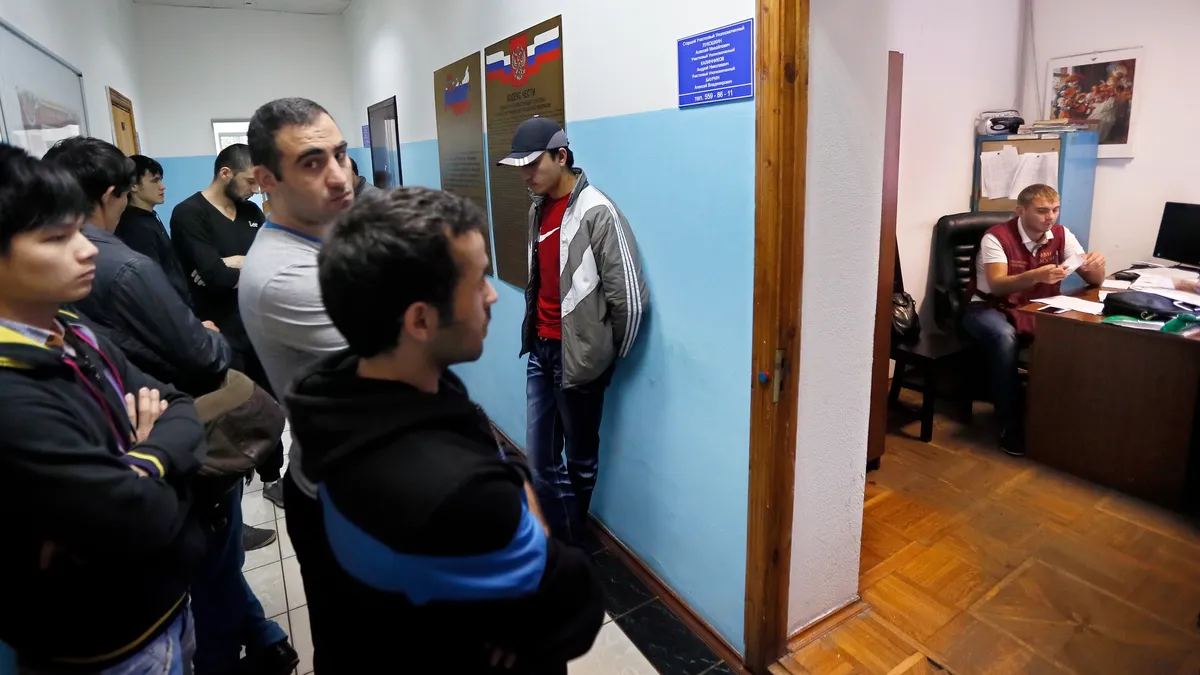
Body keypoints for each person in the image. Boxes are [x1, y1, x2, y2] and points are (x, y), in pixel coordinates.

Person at [287, 186, 604, 673]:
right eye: (478, 283)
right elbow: (575, 602)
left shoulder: (335, 394)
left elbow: (497, 463)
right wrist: (520, 500)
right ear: (421, 320)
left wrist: (509, 480)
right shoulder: (454, 494)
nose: (493, 295)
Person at [43, 137, 295, 674]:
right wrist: (209, 337)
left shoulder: (71, 297)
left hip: (161, 425)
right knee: (212, 561)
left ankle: (263, 633)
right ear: (111, 195)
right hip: (175, 432)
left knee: (217, 559)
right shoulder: (127, 261)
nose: (81, 250)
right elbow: (203, 338)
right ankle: (232, 655)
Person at [0, 142, 206, 673]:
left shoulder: (69, 328)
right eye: (57, 238)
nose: (88, 250)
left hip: (164, 608)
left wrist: (142, 461)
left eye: (79, 230)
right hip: (107, 646)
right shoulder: (12, 394)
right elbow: (137, 521)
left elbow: (179, 404)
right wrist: (163, 465)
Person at [239, 97, 355, 670]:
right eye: (312, 162)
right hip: (343, 501)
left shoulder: (322, 235)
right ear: (266, 180)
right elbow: (414, 366)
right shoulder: (287, 274)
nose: (339, 176)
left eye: (341, 154)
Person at [497, 116, 649, 543]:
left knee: (580, 463)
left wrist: (604, 355)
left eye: (533, 164)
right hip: (542, 352)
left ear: (561, 156)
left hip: (579, 360)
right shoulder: (538, 208)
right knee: (542, 460)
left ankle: (574, 546)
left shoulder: (596, 211)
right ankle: (561, 542)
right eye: (521, 167)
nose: (526, 175)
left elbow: (631, 301)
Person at [171, 144, 285, 506]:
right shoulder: (189, 214)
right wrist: (232, 267)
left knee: (267, 404)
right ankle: (228, 495)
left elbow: (271, 261)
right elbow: (215, 278)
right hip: (218, 331)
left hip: (258, 323)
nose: (256, 189)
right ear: (225, 174)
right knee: (230, 413)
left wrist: (234, 263)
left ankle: (273, 478)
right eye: (250, 181)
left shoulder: (250, 211)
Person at [964, 183, 1106, 455]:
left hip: (1034, 306)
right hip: (987, 306)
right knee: (1004, 338)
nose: (1050, 217)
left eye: (1055, 210)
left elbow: (1094, 280)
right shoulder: (995, 237)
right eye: (1042, 211)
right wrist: (1036, 275)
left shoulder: (1061, 235)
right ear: (1021, 210)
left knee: (1075, 332)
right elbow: (997, 285)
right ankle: (1008, 424)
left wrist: (1096, 265)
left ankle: (1056, 413)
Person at [114, 154, 192, 306]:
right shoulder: (136, 227)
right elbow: (150, 281)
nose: (162, 186)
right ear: (134, 186)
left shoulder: (149, 217)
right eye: (155, 181)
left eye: (160, 180)